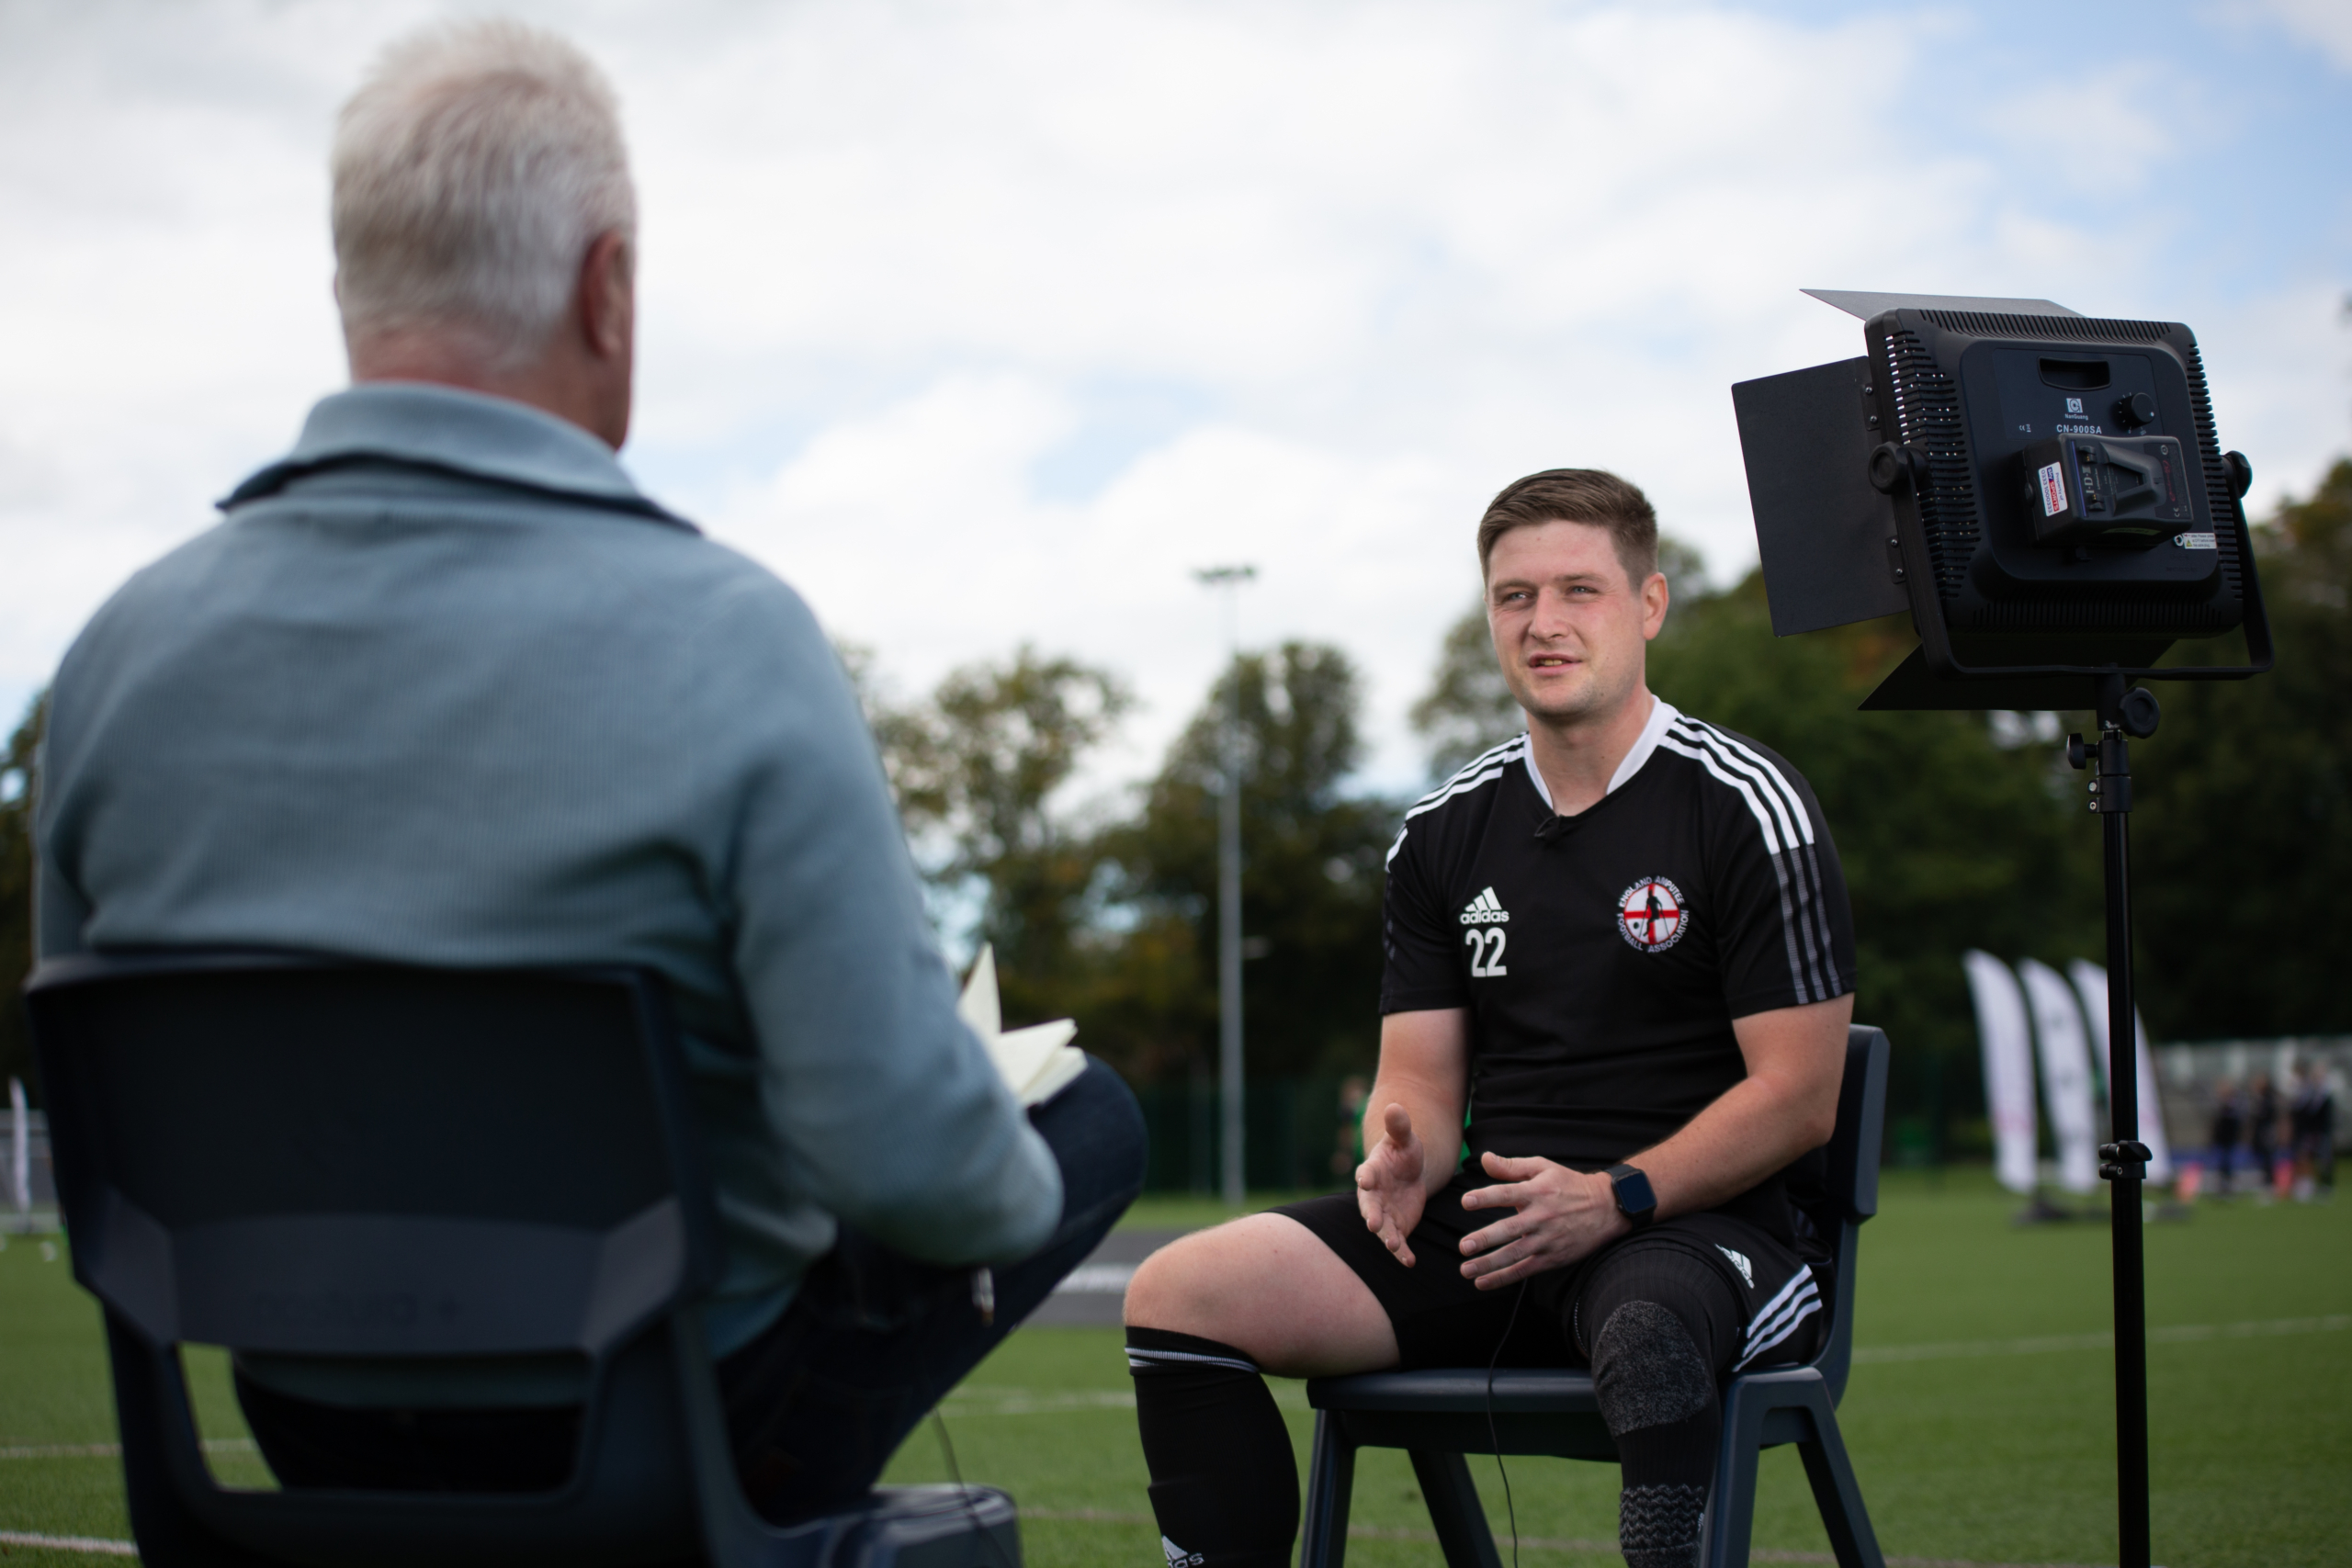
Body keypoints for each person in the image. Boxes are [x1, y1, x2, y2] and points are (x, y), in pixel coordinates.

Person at [32, 21, 1143, 1517]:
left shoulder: (113, 661)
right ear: (605, 287)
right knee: (1090, 1118)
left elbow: (112, 1137)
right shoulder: (732, 641)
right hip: (671, 1437)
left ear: (353, 291)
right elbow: (919, 1174)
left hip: (305, 1413)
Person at [1124, 470, 1856, 1568]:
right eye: (1515, 596)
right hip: (1498, 1231)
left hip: (1700, 1234)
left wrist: (1612, 1196)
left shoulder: (1745, 805)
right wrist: (1401, 1152)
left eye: (1578, 591)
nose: (1543, 622)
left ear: (1649, 605)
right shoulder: (1440, 830)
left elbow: (1799, 1097)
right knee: (1180, 1291)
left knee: (1647, 1333)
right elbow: (1417, 1080)